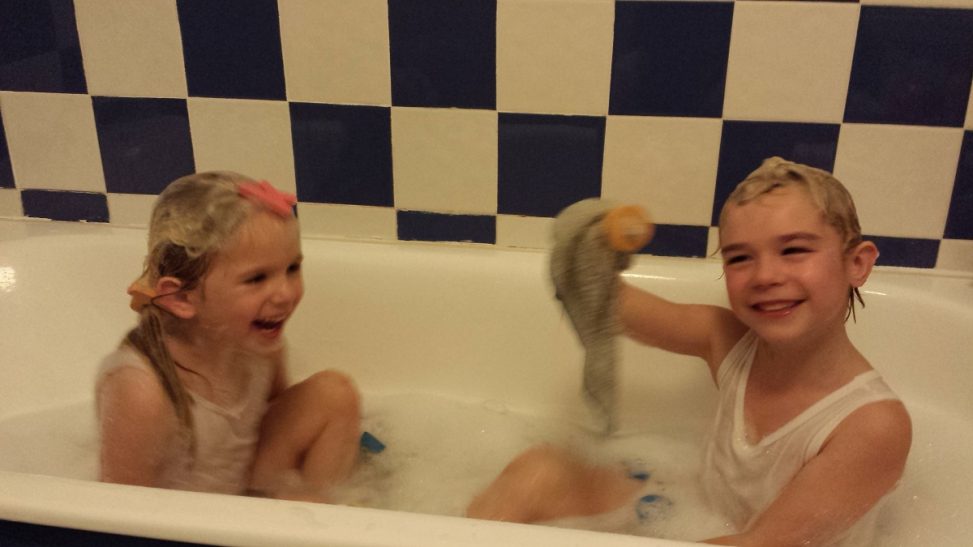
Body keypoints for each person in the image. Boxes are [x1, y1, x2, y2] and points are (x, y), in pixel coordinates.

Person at [466, 157, 912, 546]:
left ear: (857, 263)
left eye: (794, 250)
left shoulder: (872, 426)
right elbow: (607, 302)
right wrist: (588, 246)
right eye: (740, 258)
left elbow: (762, 543)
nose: (765, 276)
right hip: (701, 513)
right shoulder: (728, 339)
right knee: (539, 472)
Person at [96, 171, 362, 501]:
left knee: (334, 394)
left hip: (245, 496)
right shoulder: (141, 392)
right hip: (185, 517)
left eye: (292, 268)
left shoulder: (259, 344)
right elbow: (118, 512)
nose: (285, 293)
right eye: (256, 279)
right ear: (182, 298)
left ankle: (326, 515)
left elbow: (273, 420)